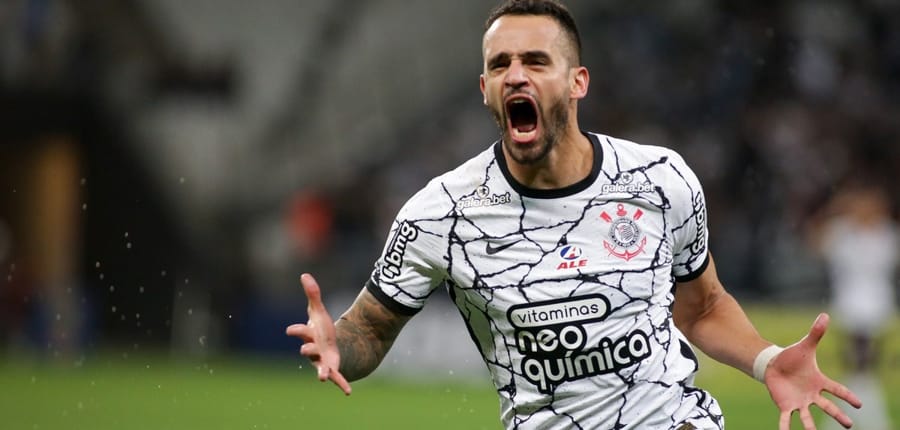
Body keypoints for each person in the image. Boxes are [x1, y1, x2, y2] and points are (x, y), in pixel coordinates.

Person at [286, 1, 862, 429]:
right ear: (485, 88)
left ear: (577, 81)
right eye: (501, 64)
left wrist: (766, 360)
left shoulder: (659, 179)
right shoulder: (441, 212)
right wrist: (338, 346)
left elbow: (704, 306)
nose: (516, 75)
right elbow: (369, 330)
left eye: (536, 61)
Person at [809, 180, 897, 430]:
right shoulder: (841, 232)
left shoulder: (886, 234)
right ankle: (867, 419)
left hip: (877, 308)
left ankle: (848, 419)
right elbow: (815, 243)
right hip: (849, 307)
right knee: (858, 367)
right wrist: (832, 211)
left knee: (862, 368)